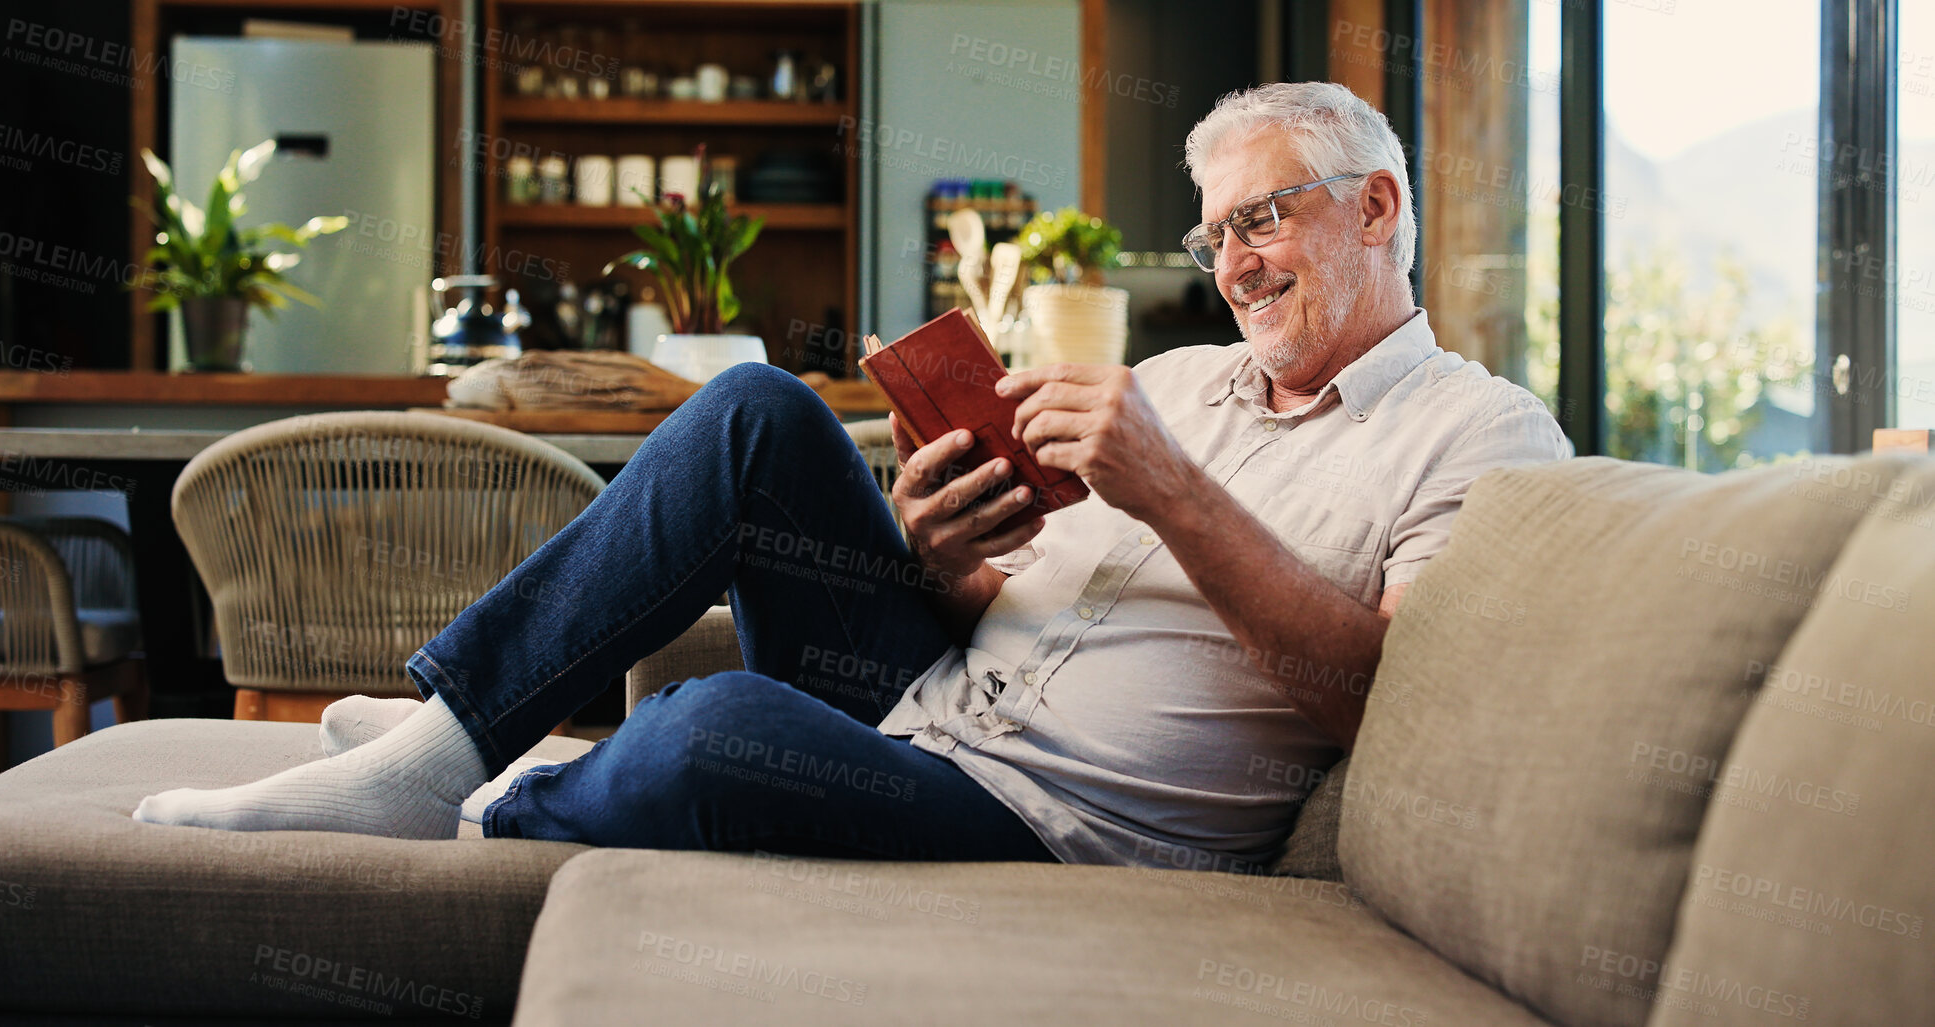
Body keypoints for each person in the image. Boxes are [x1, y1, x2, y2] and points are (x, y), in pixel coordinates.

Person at [134, 82, 1570, 874]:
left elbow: (1383, 696)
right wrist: (941, 552)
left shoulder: (1484, 437)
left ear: (1378, 204)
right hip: (925, 704)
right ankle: (450, 734)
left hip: (1051, 828)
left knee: (714, 727)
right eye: (1216, 238)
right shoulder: (1186, 381)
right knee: (755, 405)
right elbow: (1007, 603)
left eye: (1264, 216)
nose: (1238, 262)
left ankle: (488, 801)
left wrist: (1172, 496)